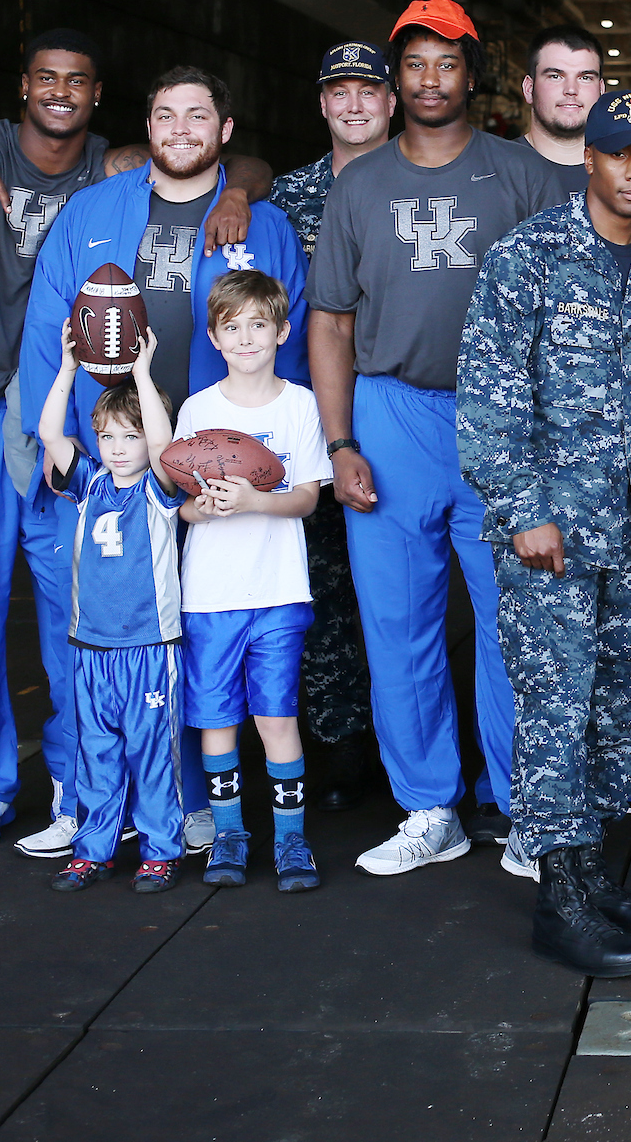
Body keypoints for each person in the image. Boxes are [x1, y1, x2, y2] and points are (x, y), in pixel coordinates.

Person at [0, 30, 267, 853]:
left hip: (73, 415)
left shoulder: (110, 173)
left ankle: (81, 785)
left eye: (76, 81)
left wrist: (240, 193)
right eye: (46, 79)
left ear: (99, 95)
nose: (60, 92)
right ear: (23, 88)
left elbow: (229, 160)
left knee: (82, 609)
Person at [19, 64, 310, 856]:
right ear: (145, 129)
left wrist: (280, 455)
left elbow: (297, 338)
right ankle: (88, 803)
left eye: (197, 116)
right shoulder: (92, 211)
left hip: (217, 464)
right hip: (118, 461)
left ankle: (186, 803)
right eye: (163, 115)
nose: (180, 129)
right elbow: (51, 330)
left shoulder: (264, 224)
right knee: (106, 634)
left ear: (225, 133)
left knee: (200, 635)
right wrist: (53, 441)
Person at [308, 0, 566, 877]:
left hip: (499, 416)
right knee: (397, 623)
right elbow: (333, 324)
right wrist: (339, 441)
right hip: (391, 413)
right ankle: (429, 807)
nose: (428, 79)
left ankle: (526, 806)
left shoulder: (521, 173)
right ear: (395, 79)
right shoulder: (361, 184)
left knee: (515, 623)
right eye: (412, 64)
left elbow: (561, 310)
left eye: (445, 63)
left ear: (472, 73)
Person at [457, 90, 631, 976]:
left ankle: (588, 867)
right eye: (618, 153)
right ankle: (557, 892)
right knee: (555, 712)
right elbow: (489, 397)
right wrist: (524, 512)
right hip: (551, 535)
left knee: (624, 710)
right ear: (588, 158)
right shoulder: (530, 256)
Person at [268, 42, 398, 814]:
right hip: (311, 421)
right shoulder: (286, 198)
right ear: (321, 104)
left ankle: (417, 746)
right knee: (323, 588)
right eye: (338, 92)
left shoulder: (424, 186)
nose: (354, 105)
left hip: (402, 409)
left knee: (407, 595)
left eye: (368, 91)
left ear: (391, 102)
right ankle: (342, 749)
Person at [174, 271, 334, 894]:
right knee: (216, 718)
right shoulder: (198, 409)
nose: (245, 338)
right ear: (214, 337)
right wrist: (206, 508)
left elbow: (305, 501)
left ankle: (291, 837)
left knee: (275, 716)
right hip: (210, 593)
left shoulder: (297, 405)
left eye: (258, 326)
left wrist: (251, 500)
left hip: (277, 591)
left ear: (282, 332)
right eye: (231, 327)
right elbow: (180, 508)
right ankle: (231, 832)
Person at [35, 327, 185, 894]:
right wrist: (69, 368)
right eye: (107, 436)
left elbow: (168, 446)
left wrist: (143, 374)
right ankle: (93, 846)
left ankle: (160, 851)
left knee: (151, 755)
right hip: (92, 647)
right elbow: (50, 432)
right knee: (96, 752)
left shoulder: (159, 489)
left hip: (149, 646)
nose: (118, 447)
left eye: (130, 436)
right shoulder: (90, 483)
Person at [510, 24, 606, 195]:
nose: (571, 89)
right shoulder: (496, 172)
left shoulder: (625, 176)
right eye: (555, 76)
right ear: (528, 88)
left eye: (585, 77)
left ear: (601, 90)